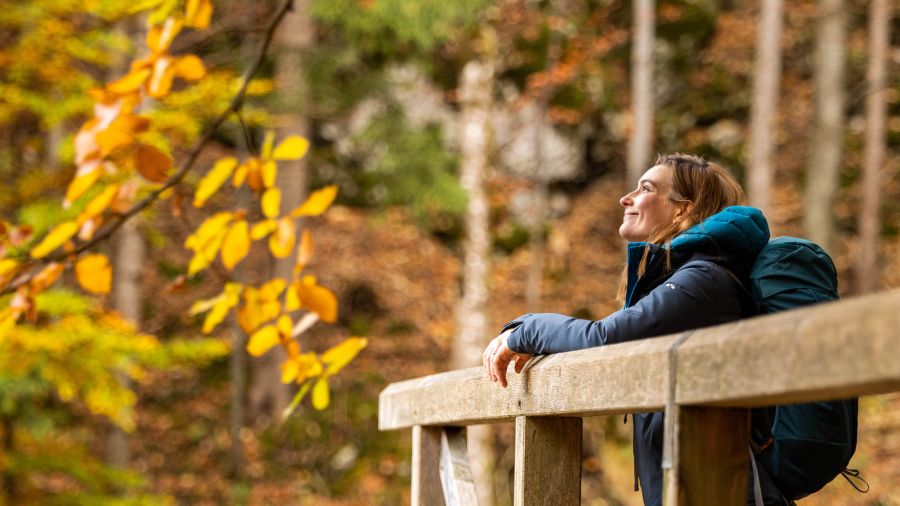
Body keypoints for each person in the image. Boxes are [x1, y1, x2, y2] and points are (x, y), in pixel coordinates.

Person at [482, 153, 788, 505]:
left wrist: (526, 329)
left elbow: (604, 339)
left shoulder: (703, 279)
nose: (625, 198)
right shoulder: (690, 276)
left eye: (646, 188)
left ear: (682, 210)